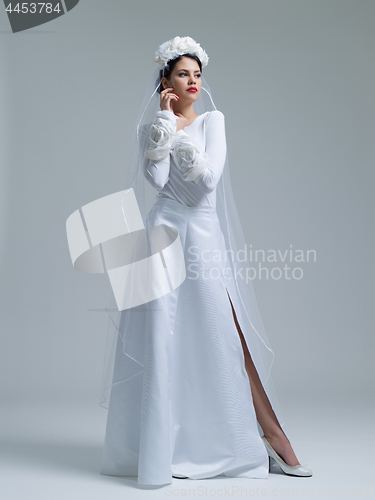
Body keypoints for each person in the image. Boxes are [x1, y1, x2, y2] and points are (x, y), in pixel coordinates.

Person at [99, 36, 312, 486]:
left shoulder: (212, 122)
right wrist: (164, 123)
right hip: (162, 235)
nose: (193, 82)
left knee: (223, 333)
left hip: (201, 236)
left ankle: (267, 438)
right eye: (183, 75)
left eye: (197, 75)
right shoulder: (154, 126)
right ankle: (160, 451)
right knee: (163, 339)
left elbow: (207, 182)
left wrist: (179, 137)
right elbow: (157, 181)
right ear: (166, 81)